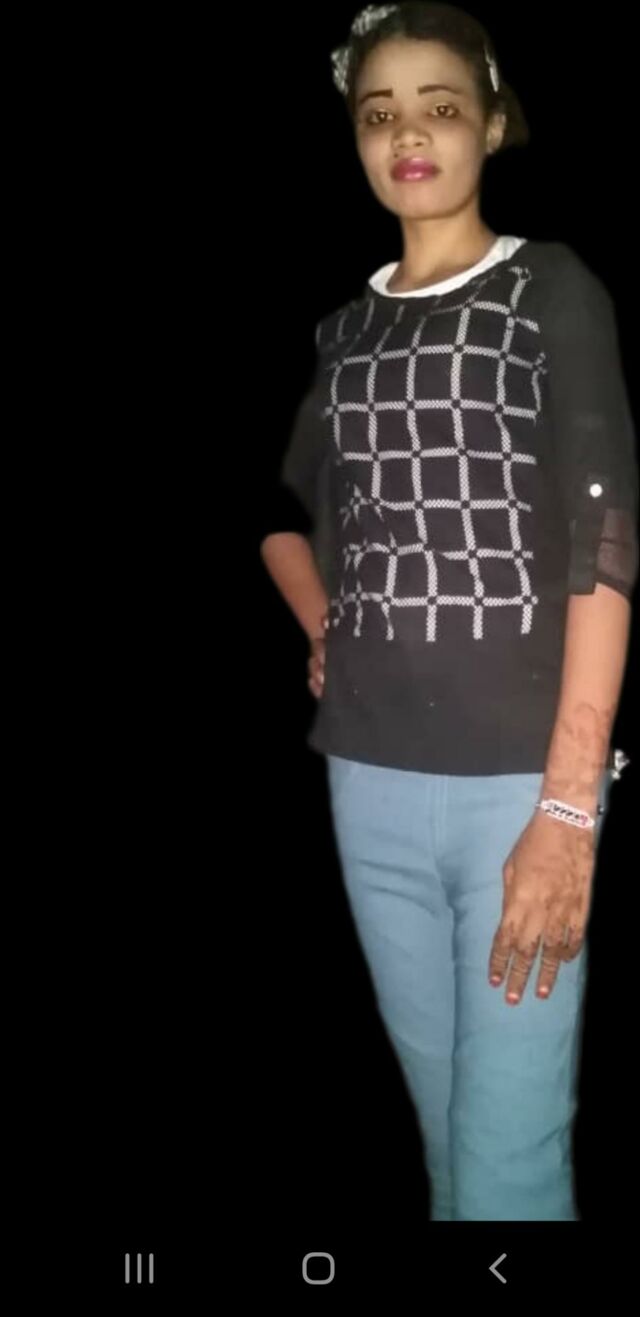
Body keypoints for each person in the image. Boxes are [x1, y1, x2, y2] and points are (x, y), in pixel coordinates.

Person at [260, 1, 638, 1221]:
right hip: (365, 781)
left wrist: (568, 807)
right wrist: (323, 621)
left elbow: (603, 542)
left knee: (508, 1160)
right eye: (379, 115)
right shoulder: (343, 331)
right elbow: (284, 512)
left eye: (437, 107)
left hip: (516, 791)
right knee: (443, 1141)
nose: (407, 135)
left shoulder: (547, 287)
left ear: (489, 122)